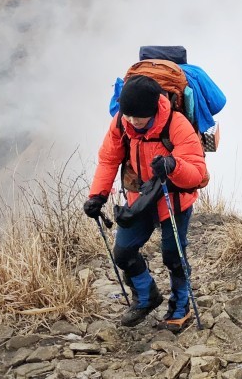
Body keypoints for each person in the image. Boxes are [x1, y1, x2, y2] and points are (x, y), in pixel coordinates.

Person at [83, 75, 207, 330]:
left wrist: (173, 165)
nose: (130, 121)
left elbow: (198, 173)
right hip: (138, 198)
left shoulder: (176, 124)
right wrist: (97, 196)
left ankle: (180, 308)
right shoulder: (121, 123)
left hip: (173, 200)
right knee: (124, 252)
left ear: (151, 111)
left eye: (136, 117)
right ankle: (146, 297)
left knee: (174, 256)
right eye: (126, 115)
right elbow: (108, 159)